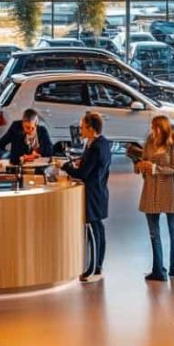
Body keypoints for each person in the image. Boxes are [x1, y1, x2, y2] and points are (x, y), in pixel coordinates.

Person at [62, 112, 111, 284]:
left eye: (83, 127)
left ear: (91, 129)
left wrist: (67, 167)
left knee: (94, 230)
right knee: (97, 228)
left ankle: (94, 269)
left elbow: (83, 173)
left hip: (93, 194)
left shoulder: (96, 147)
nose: (80, 130)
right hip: (99, 192)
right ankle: (96, 266)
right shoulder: (100, 143)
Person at [135, 116, 174, 282]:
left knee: (173, 230)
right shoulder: (149, 140)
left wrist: (155, 168)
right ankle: (158, 269)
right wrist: (141, 166)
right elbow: (144, 158)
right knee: (154, 233)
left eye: (155, 128)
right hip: (151, 189)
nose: (153, 131)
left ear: (163, 128)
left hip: (169, 189)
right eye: (152, 127)